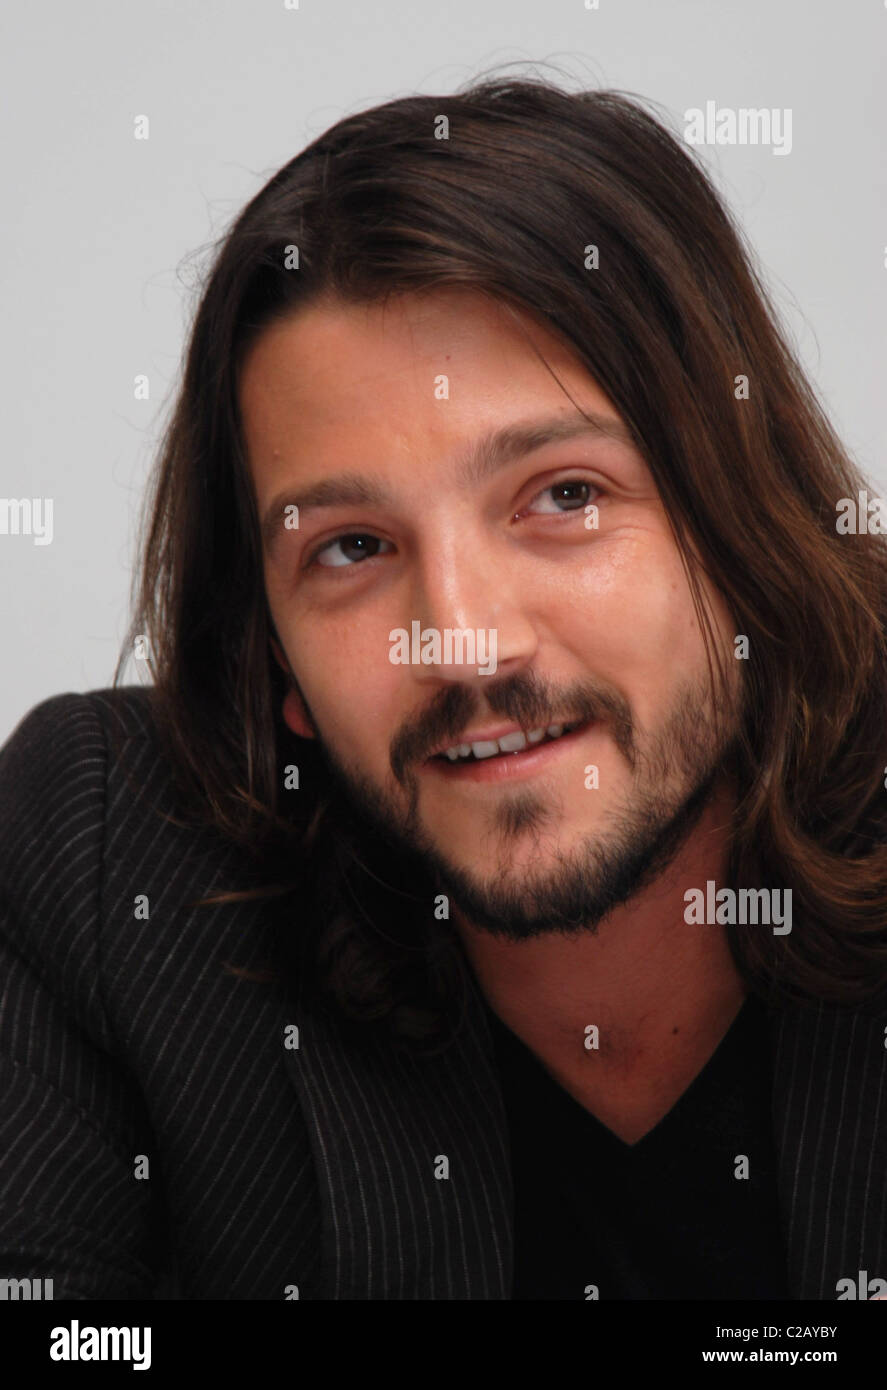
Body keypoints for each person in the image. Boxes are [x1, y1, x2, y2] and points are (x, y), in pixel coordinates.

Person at [2, 75, 886, 1302]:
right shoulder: (107, 856)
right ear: (276, 662)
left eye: (564, 497)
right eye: (351, 549)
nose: (463, 647)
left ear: (744, 528)